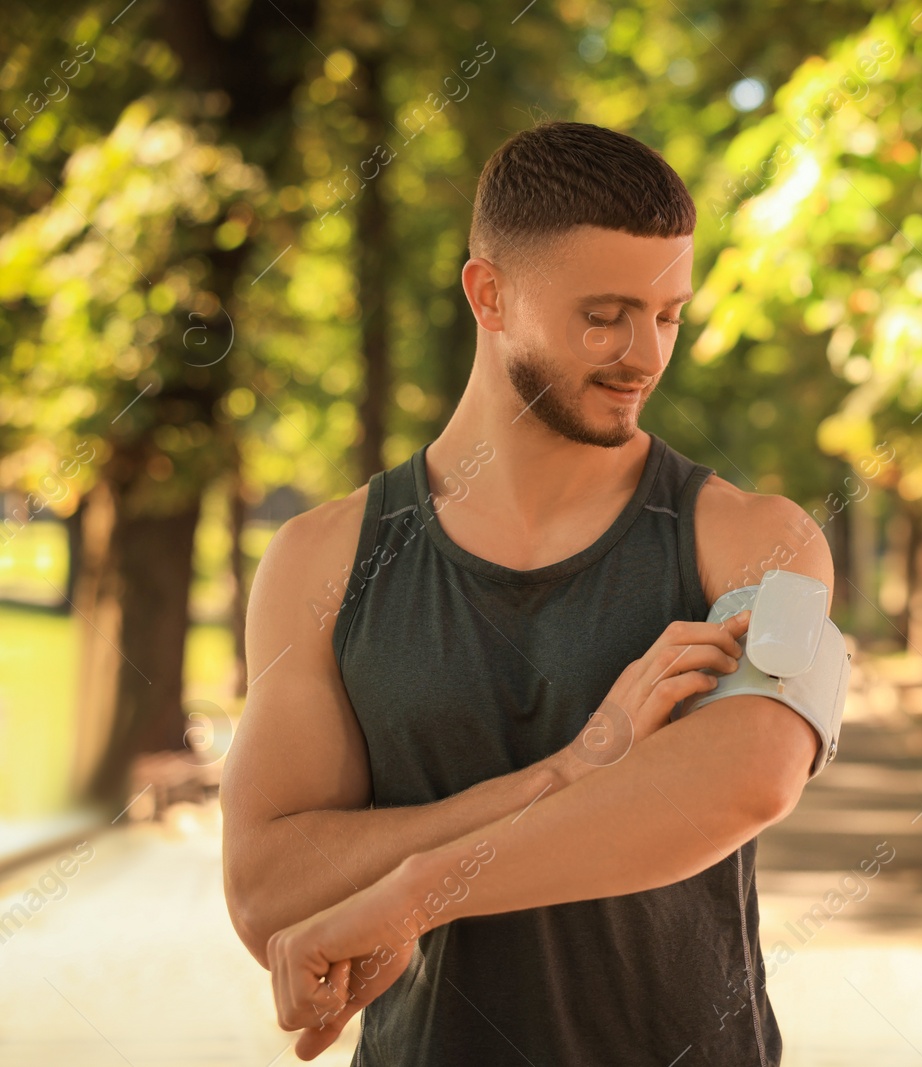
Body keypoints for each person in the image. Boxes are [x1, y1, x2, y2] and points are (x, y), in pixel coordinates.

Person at [222, 121, 837, 1066]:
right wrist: (571, 766)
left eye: (669, 314)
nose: (645, 355)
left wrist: (409, 893)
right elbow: (269, 892)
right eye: (605, 315)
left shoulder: (761, 541)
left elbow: (748, 777)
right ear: (490, 293)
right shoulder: (321, 559)